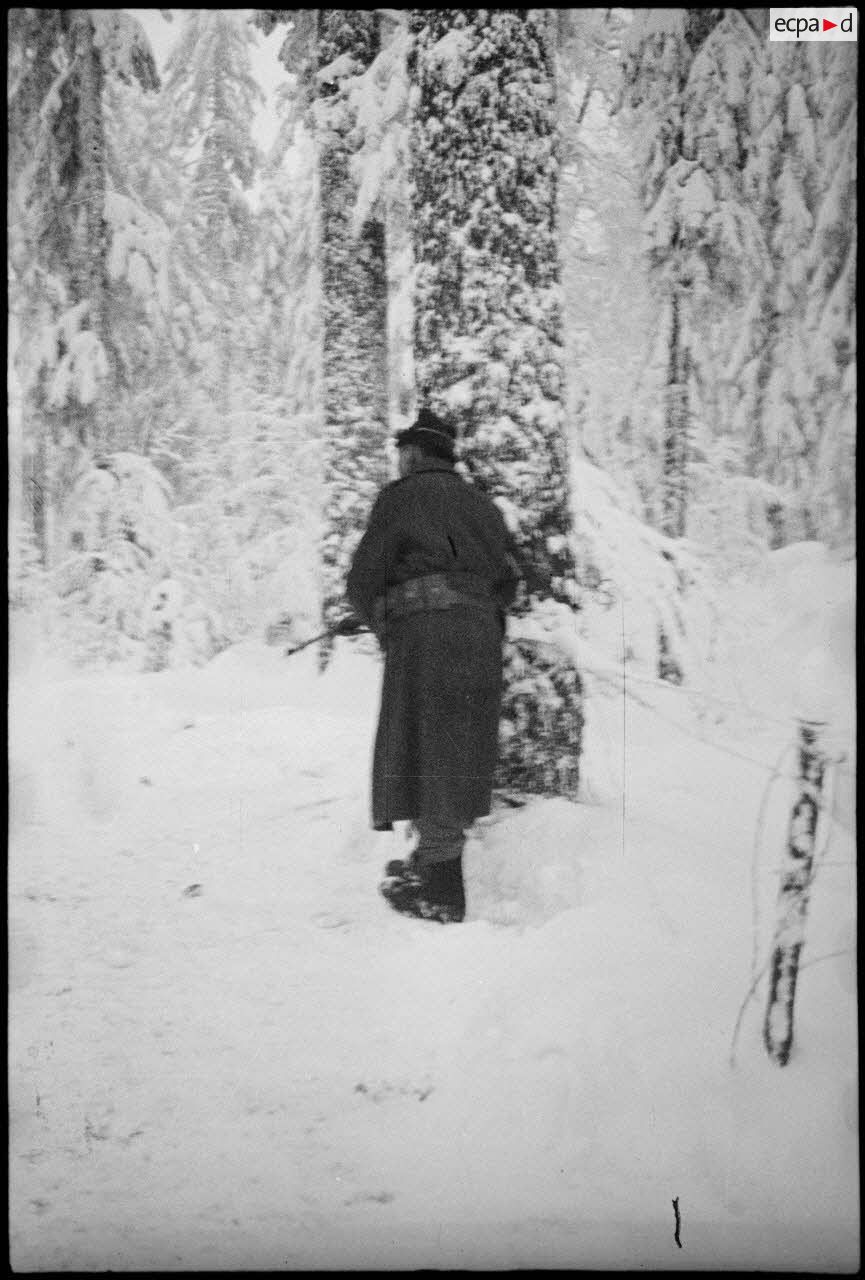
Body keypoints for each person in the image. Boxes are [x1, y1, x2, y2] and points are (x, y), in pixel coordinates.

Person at [346, 406, 520, 923]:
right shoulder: (484, 506)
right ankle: (428, 864)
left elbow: (361, 582)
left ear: (415, 454)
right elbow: (510, 580)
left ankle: (442, 895)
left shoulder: (401, 497)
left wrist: (388, 623)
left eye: (402, 453)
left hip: (425, 637)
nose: (399, 462)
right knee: (456, 750)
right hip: (481, 635)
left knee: (426, 750)